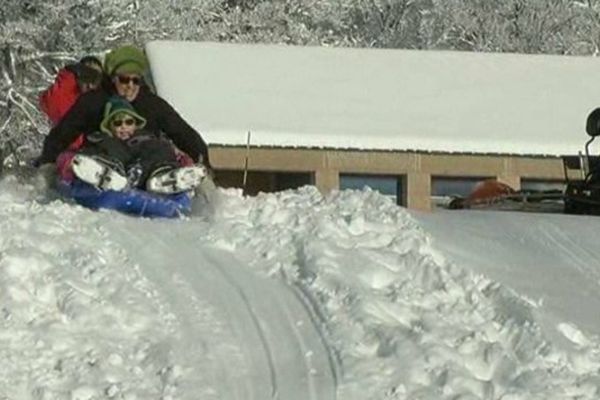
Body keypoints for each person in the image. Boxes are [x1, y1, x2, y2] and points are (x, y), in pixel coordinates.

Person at [36, 45, 211, 173]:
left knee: (161, 149)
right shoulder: (95, 101)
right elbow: (66, 130)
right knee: (103, 146)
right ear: (113, 79)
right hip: (106, 157)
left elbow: (180, 130)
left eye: (136, 80)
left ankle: (161, 177)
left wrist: (202, 158)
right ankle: (101, 175)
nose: (130, 86)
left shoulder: (151, 104)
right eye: (125, 80)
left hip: (143, 161)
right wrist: (48, 160)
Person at [70, 96, 206, 194]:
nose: (124, 127)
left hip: (146, 174)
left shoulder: (146, 139)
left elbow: (171, 152)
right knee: (105, 150)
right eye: (118, 123)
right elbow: (79, 156)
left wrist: (185, 161)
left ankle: (163, 177)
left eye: (129, 122)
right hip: (120, 172)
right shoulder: (105, 140)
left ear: (135, 124)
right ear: (109, 126)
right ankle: (108, 175)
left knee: (161, 148)